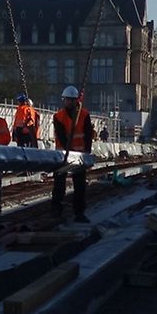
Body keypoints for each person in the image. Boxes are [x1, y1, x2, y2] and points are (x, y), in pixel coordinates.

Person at [51, 85, 96, 223]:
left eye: (71, 100)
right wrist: (68, 151)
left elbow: (88, 135)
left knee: (80, 185)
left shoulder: (84, 115)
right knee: (59, 183)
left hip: (79, 156)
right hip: (63, 155)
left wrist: (87, 151)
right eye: (67, 100)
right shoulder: (58, 116)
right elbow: (61, 136)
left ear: (76, 100)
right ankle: (56, 209)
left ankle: (79, 212)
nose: (68, 102)